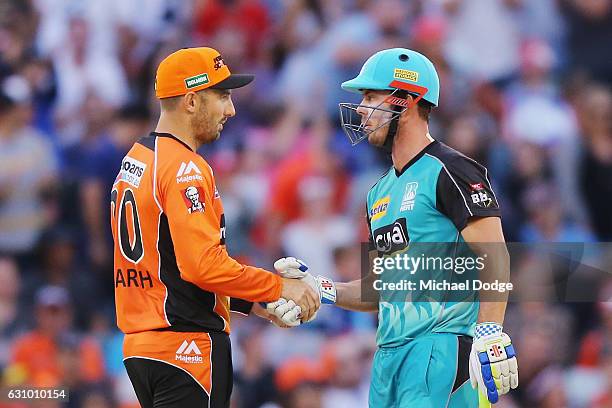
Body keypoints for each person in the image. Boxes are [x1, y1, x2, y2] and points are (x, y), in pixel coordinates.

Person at [270, 48, 519, 406]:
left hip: (442, 347)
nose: (360, 109)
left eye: (371, 96)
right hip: (388, 355)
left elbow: (494, 255)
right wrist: (322, 288)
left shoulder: (451, 169)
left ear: (406, 100)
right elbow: (379, 289)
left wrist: (491, 330)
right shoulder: (377, 193)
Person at [111, 47, 319, 408]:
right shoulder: (185, 167)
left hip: (145, 346)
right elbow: (201, 265)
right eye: (221, 96)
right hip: (186, 346)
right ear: (191, 101)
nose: (231, 109)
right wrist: (278, 287)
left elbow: (172, 263)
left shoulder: (138, 159)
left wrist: (253, 303)